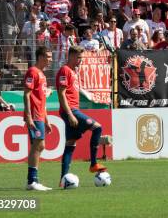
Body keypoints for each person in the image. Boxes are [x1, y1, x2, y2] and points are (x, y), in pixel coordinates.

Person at [57, 46, 108, 183]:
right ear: (72, 56)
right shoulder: (65, 70)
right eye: (79, 58)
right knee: (97, 127)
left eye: (82, 58)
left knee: (70, 143)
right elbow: (61, 94)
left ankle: (63, 179)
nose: (80, 60)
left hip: (73, 110)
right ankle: (93, 163)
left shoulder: (73, 72)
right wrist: (70, 114)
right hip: (71, 111)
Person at [23, 46, 53, 191]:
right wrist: (28, 116)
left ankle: (33, 180)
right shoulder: (32, 72)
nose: (50, 59)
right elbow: (27, 95)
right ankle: (32, 181)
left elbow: (42, 99)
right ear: (40, 57)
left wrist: (46, 120)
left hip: (40, 115)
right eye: (48, 56)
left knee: (39, 146)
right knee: (38, 145)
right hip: (34, 115)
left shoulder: (42, 74)